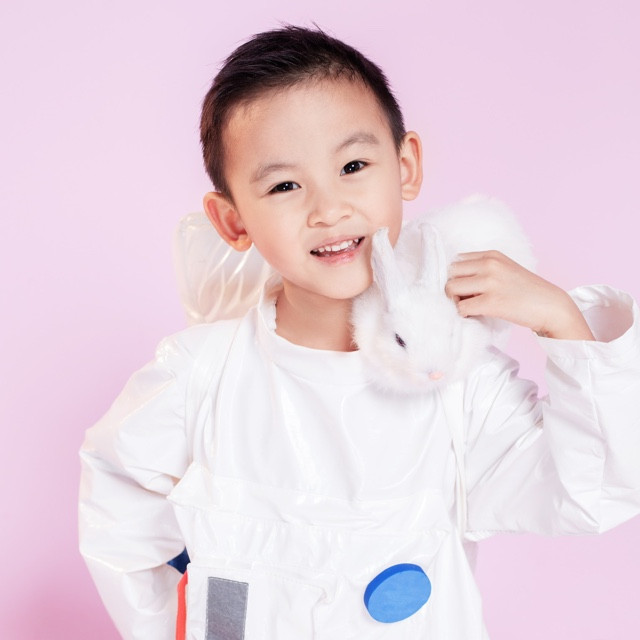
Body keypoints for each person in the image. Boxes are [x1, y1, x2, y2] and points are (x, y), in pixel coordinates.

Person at [79, 25, 640, 640]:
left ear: (405, 166)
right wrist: (175, 627)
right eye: (284, 185)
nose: (329, 209)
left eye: (352, 166)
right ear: (233, 220)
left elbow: (593, 490)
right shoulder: (200, 376)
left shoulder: (455, 383)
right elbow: (117, 516)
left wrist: (562, 321)